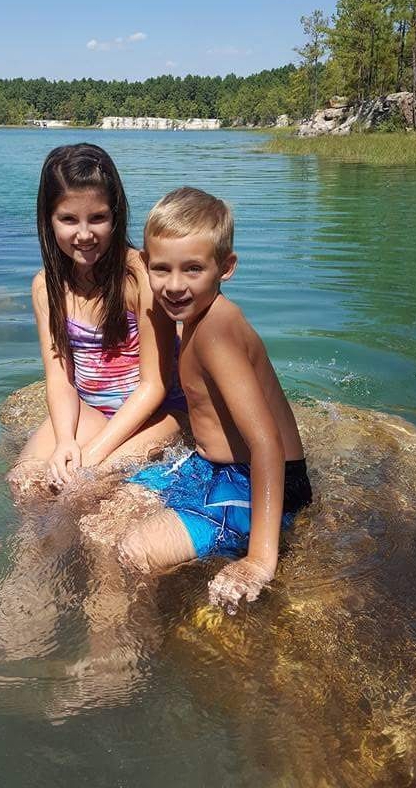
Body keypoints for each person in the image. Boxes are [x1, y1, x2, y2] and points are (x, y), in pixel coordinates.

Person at [119, 186, 312, 611]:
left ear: (226, 268)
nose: (174, 286)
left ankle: (135, 644)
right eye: (162, 269)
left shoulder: (217, 332)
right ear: (146, 265)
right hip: (213, 467)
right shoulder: (196, 315)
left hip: (261, 480)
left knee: (136, 550)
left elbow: (266, 442)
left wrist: (260, 559)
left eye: (193, 269)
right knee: (109, 509)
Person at [8, 143, 186, 494]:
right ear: (48, 219)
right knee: (24, 484)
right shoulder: (46, 286)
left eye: (98, 218)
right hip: (93, 409)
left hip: (161, 413)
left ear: (116, 215)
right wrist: (65, 442)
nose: (84, 234)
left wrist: (93, 454)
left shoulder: (139, 275)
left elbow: (154, 386)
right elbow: (60, 379)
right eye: (68, 219)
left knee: (84, 485)